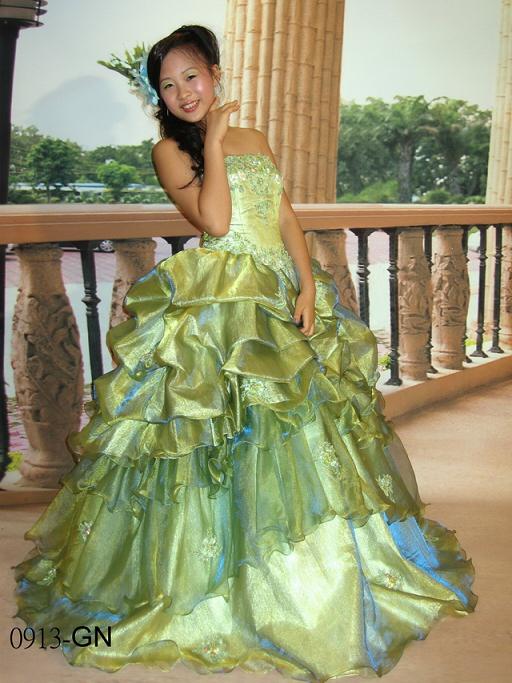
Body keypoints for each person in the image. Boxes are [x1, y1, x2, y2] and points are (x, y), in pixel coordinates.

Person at [11, 24, 478, 681]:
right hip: (222, 300)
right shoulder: (169, 152)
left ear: (215, 73)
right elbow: (218, 223)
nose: (183, 93)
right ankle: (220, 579)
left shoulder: (256, 138)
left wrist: (308, 283)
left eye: (191, 77)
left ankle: (313, 572)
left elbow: (283, 214)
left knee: (304, 431)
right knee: (218, 436)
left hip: (278, 294)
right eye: (168, 86)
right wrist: (214, 141)